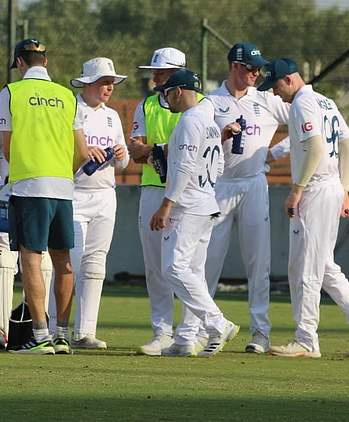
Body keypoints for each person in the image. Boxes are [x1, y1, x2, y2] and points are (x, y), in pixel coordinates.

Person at [258, 58, 349, 358]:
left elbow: (315, 148)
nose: (275, 94)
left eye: (275, 86)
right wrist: (343, 188)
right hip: (330, 187)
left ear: (288, 80)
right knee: (324, 265)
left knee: (303, 267)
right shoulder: (325, 101)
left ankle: (306, 339)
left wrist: (296, 190)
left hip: (313, 190)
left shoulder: (301, 103)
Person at [0, 38, 106, 355]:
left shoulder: (12, 92)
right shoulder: (66, 96)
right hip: (63, 188)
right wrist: (63, 173)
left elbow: (6, 148)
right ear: (44, 62)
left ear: (20, 63)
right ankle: (62, 335)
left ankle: (41, 336)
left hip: (29, 185)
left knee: (30, 259)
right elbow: (83, 152)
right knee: (64, 263)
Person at [186, 42, 289, 354]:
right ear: (234, 66)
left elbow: (301, 128)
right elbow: (194, 137)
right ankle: (203, 329)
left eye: (259, 68)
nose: (256, 73)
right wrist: (221, 135)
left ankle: (260, 332)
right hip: (218, 185)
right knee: (206, 260)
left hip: (254, 183)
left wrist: (273, 154)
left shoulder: (267, 101)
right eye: (250, 68)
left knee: (259, 261)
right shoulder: (212, 101)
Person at [149, 70, 239, 358]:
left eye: (166, 92)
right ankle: (187, 337)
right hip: (206, 202)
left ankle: (217, 323)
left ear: (177, 92)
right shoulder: (209, 122)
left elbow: (185, 166)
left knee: (173, 268)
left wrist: (167, 204)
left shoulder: (189, 120)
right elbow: (219, 167)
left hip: (188, 206)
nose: (165, 98)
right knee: (193, 273)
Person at [46, 57, 130, 350]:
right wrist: (84, 150)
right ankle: (58, 328)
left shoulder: (112, 116)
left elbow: (124, 162)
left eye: (112, 83)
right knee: (70, 264)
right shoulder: (72, 109)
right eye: (106, 82)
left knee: (97, 264)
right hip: (75, 194)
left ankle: (85, 332)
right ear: (89, 83)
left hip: (106, 195)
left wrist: (121, 153)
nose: (110, 88)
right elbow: (59, 148)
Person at [128, 47, 200, 356]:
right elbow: (134, 151)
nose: (155, 76)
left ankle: (191, 332)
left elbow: (193, 149)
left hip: (190, 192)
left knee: (189, 265)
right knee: (155, 265)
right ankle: (162, 332)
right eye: (155, 71)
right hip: (153, 188)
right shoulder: (146, 105)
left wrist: (155, 150)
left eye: (162, 71)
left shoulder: (200, 105)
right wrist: (160, 149)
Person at [0, 117, 55, 349]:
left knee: (40, 261)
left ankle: (36, 328)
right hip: (5, 201)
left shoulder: (44, 117)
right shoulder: (0, 121)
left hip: (37, 198)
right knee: (1, 260)